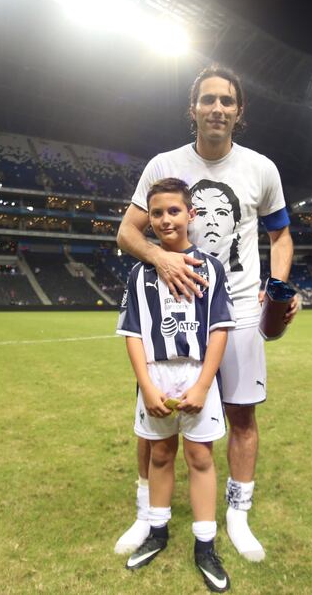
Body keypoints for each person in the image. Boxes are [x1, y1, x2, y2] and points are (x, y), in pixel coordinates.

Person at [115, 64, 300, 562]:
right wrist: (160, 257)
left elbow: (280, 235)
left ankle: (237, 515)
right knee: (151, 416)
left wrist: (277, 286)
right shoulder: (163, 164)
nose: (217, 108)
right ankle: (143, 513)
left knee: (242, 415)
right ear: (193, 108)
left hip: (237, 308)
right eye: (208, 100)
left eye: (227, 101)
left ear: (239, 112)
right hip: (173, 310)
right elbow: (127, 232)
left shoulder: (261, 168)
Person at [117, 178, 236, 592]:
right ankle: (157, 531)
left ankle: (205, 543)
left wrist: (204, 385)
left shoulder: (211, 268)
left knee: (201, 458)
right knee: (161, 455)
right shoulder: (139, 273)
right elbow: (132, 333)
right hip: (156, 375)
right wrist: (146, 387)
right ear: (147, 220)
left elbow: (219, 329)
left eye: (173, 211)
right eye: (156, 213)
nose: (166, 219)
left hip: (197, 375)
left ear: (191, 214)